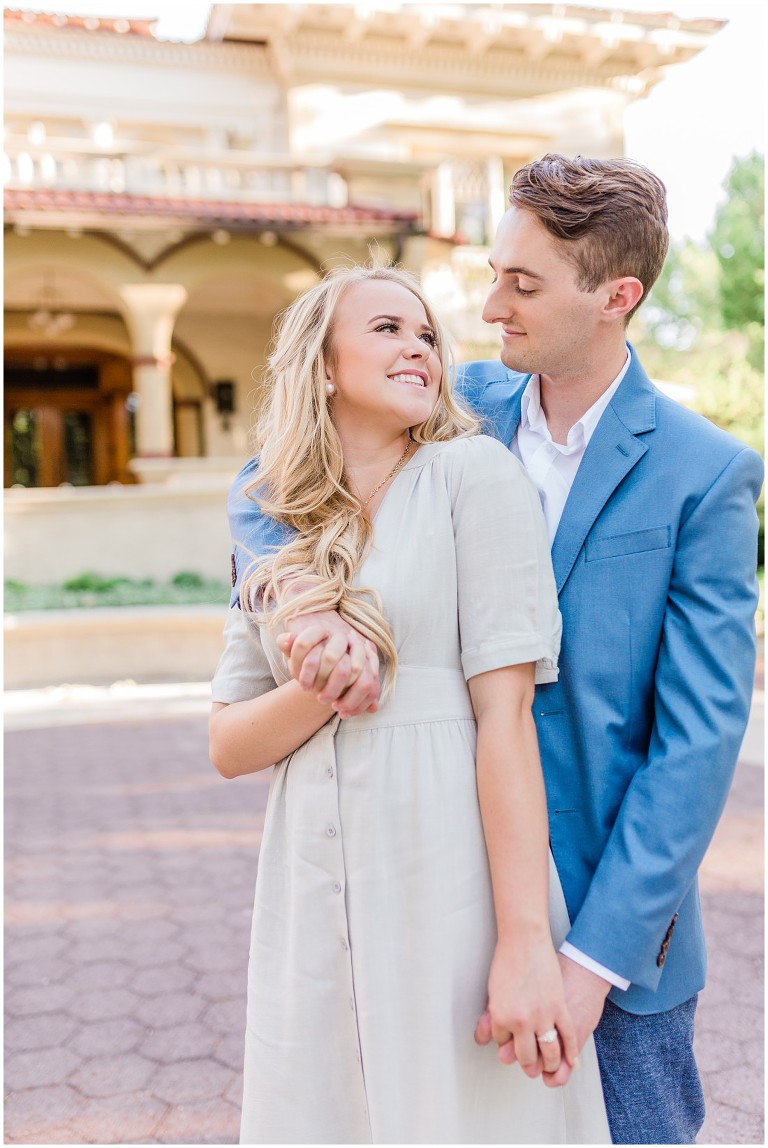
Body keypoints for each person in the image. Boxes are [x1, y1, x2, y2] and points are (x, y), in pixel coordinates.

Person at [228, 155, 763, 1145]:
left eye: (523, 284)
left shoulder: (706, 474)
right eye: (493, 273)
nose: (489, 307)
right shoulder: (452, 401)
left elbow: (694, 746)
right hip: (444, 915)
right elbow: (274, 470)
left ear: (617, 297)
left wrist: (586, 961)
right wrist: (304, 609)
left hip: (606, 946)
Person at [209, 265, 611, 1143]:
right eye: (388, 328)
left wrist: (523, 941)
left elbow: (506, 723)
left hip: (448, 878)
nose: (419, 348)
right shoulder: (280, 523)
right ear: (321, 364)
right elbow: (230, 745)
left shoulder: (474, 476)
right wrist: (321, 686)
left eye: (426, 334)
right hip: (308, 886)